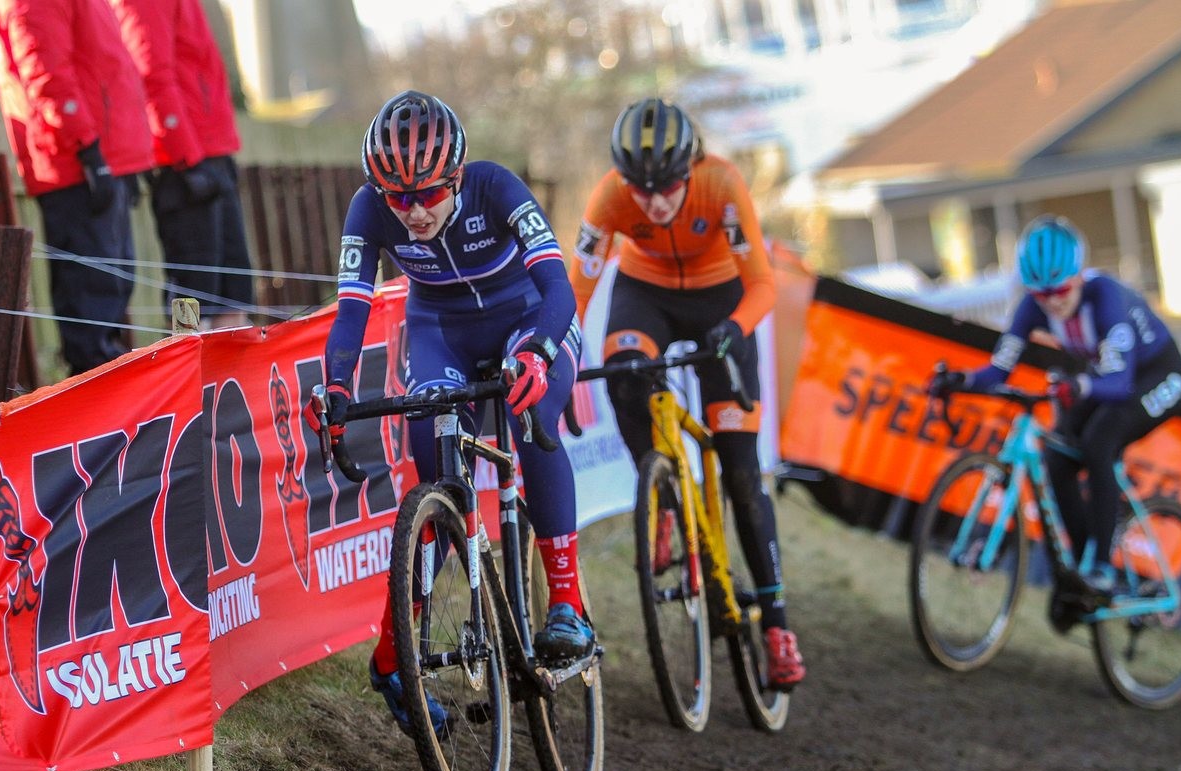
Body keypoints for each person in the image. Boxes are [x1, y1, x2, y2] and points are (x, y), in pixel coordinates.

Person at [304, 91, 591, 735]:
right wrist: (336, 388)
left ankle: (567, 602)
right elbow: (350, 312)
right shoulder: (368, 208)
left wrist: (541, 353)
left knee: (532, 414)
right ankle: (400, 651)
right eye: (396, 197)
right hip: (440, 330)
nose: (412, 212)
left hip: (528, 320)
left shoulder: (496, 187)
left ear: (456, 176)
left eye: (428, 194)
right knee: (432, 468)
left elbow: (557, 287)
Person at [568, 98, 811, 690]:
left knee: (741, 475)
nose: (654, 201)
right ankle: (663, 497)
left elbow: (762, 284)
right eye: (640, 188)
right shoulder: (609, 198)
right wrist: (564, 361)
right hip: (645, 293)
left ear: (691, 168)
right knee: (624, 370)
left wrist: (734, 328)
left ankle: (777, 625)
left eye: (667, 186)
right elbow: (574, 291)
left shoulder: (722, 184)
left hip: (721, 301)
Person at [930, 214, 1181, 619]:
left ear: (1078, 276)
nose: (1052, 301)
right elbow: (999, 369)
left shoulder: (1104, 298)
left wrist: (1080, 387)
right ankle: (1082, 575)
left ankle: (1103, 568)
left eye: (1061, 290)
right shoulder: (1032, 308)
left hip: (1157, 375)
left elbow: (1119, 383)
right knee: (1056, 459)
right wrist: (958, 380)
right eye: (1040, 294)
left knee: (1100, 441)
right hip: (1104, 378)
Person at [0, 0, 153, 376]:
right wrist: (88, 150)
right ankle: (98, 414)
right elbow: (46, 73)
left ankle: (111, 409)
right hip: (76, 164)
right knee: (90, 311)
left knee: (111, 294)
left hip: (98, 157)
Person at [108, 0, 254, 330]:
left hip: (213, 152)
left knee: (234, 292)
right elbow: (151, 74)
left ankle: (232, 378)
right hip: (183, 163)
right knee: (192, 296)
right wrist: (186, 157)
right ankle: (187, 376)